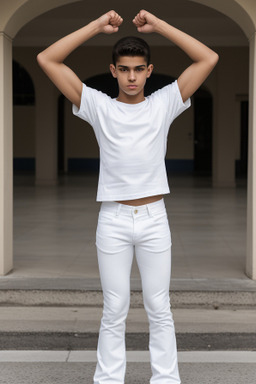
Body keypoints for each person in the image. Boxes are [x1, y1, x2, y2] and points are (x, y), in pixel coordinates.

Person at [37, 9, 218, 384]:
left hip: (154, 219)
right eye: (124, 69)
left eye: (138, 69)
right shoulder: (99, 106)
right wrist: (95, 27)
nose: (131, 77)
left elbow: (208, 58)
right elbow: (47, 59)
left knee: (159, 309)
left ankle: (166, 380)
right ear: (113, 70)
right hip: (114, 221)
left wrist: (161, 26)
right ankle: (107, 380)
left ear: (149, 71)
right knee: (114, 310)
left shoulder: (164, 103)